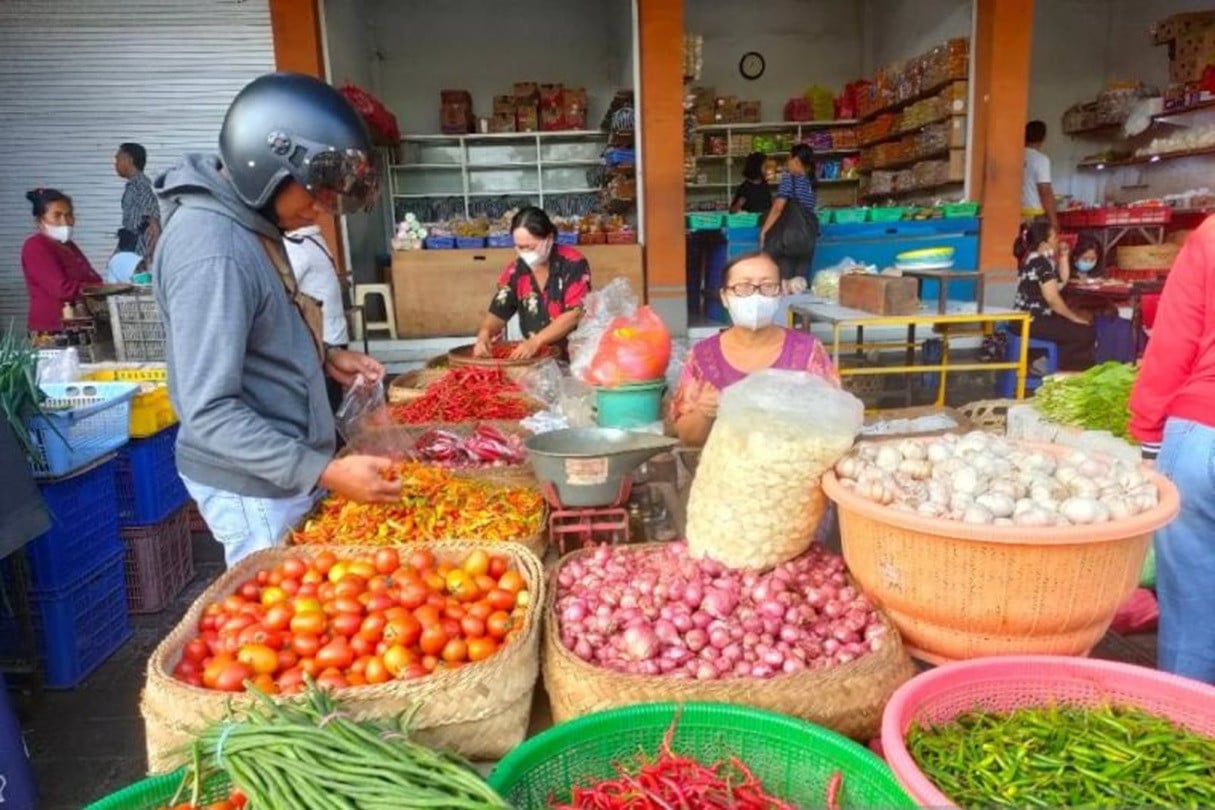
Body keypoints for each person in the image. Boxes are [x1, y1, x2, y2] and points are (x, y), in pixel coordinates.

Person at [152, 72, 397, 567]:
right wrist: (323, 471)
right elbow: (210, 412)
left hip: (277, 473)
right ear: (265, 163)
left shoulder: (247, 225)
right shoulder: (213, 250)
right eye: (316, 191)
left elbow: (255, 331)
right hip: (254, 488)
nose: (321, 209)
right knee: (284, 621)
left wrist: (324, 356)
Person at [1128, 216, 1215, 685]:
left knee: (1192, 613)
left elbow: (1171, 346)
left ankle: (1190, 729)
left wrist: (1148, 441)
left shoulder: (1210, 236)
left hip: (1201, 435)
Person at [669, 252, 839, 446]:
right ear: (725, 297)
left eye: (767, 286)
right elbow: (687, 437)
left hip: (794, 468)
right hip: (724, 471)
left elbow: (836, 421)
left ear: (780, 294)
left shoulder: (807, 352)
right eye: (743, 287)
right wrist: (704, 412)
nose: (756, 296)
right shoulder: (702, 357)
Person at [473, 206, 591, 361]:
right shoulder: (516, 271)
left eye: (531, 247)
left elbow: (574, 314)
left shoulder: (573, 263)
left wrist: (536, 341)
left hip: (574, 358)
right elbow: (498, 311)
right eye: (519, 247)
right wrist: (485, 334)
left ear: (549, 239)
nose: (524, 252)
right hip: (537, 360)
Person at [284, 224, 349, 418]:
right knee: (333, 397)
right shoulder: (315, 239)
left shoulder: (298, 246)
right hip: (333, 334)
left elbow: (282, 287)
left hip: (323, 338)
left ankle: (334, 439)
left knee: (325, 401)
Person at [1014, 221, 1095, 371]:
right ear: (1044, 244)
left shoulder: (1033, 260)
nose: (1058, 240)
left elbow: (1059, 283)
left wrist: (1064, 257)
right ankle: (1048, 366)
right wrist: (1073, 317)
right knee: (1085, 333)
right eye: (1054, 237)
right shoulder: (1041, 263)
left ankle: (1048, 363)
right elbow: (1053, 299)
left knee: (1079, 326)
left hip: (1025, 319)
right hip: (1033, 321)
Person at [20, 188, 102, 334]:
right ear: (40, 221)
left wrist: (104, 287)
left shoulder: (68, 246)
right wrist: (101, 289)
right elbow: (61, 289)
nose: (65, 221)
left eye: (69, 215)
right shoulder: (35, 246)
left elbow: (93, 277)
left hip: (78, 326)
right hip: (52, 329)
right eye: (57, 216)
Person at [760, 143, 820, 281]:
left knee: (785, 282)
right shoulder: (812, 181)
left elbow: (778, 208)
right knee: (800, 283)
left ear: (797, 160)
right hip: (807, 238)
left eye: (789, 159)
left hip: (789, 237)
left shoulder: (789, 178)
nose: (787, 162)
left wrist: (764, 231)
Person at [115, 142, 161, 259]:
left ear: (129, 160)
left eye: (118, 158)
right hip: (129, 242)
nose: (115, 163)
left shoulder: (141, 184)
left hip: (138, 248)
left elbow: (153, 218)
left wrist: (152, 253)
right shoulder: (134, 184)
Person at [1022, 120, 1058, 232]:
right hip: (1034, 216)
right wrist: (1054, 221)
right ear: (1043, 138)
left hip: (1016, 214)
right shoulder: (1041, 159)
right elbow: (1045, 191)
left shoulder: (1016, 155)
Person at [730, 151, 772, 215]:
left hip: (765, 220)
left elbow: (768, 205)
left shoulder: (765, 184)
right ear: (756, 167)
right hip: (751, 222)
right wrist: (738, 204)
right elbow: (732, 211)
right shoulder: (744, 188)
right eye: (765, 166)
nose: (767, 168)